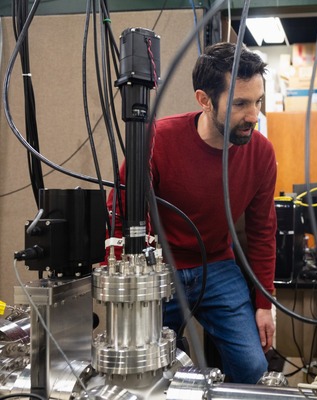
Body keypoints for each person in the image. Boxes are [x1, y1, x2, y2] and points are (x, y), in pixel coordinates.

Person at [106, 42, 277, 384]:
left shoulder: (261, 154)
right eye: (241, 103)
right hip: (161, 268)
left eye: (257, 101)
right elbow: (120, 210)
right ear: (204, 99)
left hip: (217, 265)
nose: (254, 116)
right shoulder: (158, 139)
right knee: (145, 372)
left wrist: (264, 303)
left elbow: (262, 231)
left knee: (253, 369)